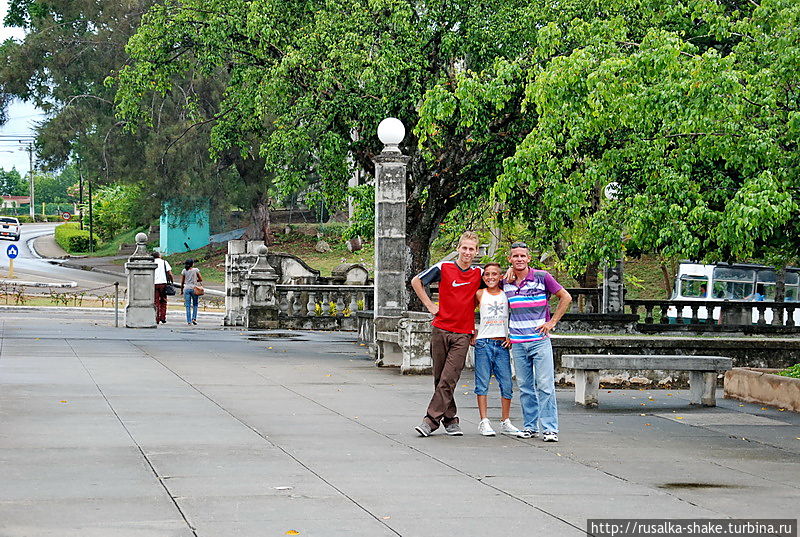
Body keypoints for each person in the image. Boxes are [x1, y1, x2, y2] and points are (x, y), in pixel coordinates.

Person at [411, 231, 483, 437]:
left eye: (471, 249)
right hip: (441, 328)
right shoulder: (444, 267)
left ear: (476, 251)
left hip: (462, 333)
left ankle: (430, 421)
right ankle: (451, 420)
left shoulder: (479, 274)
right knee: (440, 377)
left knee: (449, 378)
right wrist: (430, 305)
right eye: (464, 248)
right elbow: (417, 281)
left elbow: (494, 289)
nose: (467, 252)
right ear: (458, 248)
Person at [504, 242, 572, 442]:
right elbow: (489, 289)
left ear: (528, 258)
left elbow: (565, 297)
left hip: (539, 340)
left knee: (545, 385)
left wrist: (552, 322)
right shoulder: (505, 281)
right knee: (525, 386)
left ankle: (550, 428)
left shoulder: (542, 277)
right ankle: (530, 426)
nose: (519, 259)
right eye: (515, 256)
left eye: (522, 256)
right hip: (517, 341)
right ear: (510, 259)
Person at [472, 262, 528, 438]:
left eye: (494, 274)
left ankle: (506, 420)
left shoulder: (507, 294)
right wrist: (472, 331)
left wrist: (512, 335)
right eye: (487, 274)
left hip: (502, 344)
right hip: (483, 343)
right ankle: (484, 421)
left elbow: (517, 314)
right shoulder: (480, 294)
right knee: (482, 383)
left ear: (500, 276)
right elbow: (467, 311)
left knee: (507, 384)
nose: (490, 277)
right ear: (483, 277)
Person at [180, 259, 202, 326]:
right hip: (194, 288)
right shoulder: (196, 270)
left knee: (187, 305)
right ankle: (194, 318)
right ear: (192, 264)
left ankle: (189, 321)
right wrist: (195, 281)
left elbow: (182, 282)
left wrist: (181, 290)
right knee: (195, 304)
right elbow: (201, 279)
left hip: (186, 288)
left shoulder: (184, 271)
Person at [152, 251, 173, 324]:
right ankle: (163, 317)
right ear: (159, 256)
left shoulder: (151, 263)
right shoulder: (164, 262)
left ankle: (156, 318)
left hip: (154, 283)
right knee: (163, 301)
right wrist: (171, 281)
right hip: (163, 283)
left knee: (156, 301)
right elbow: (170, 273)